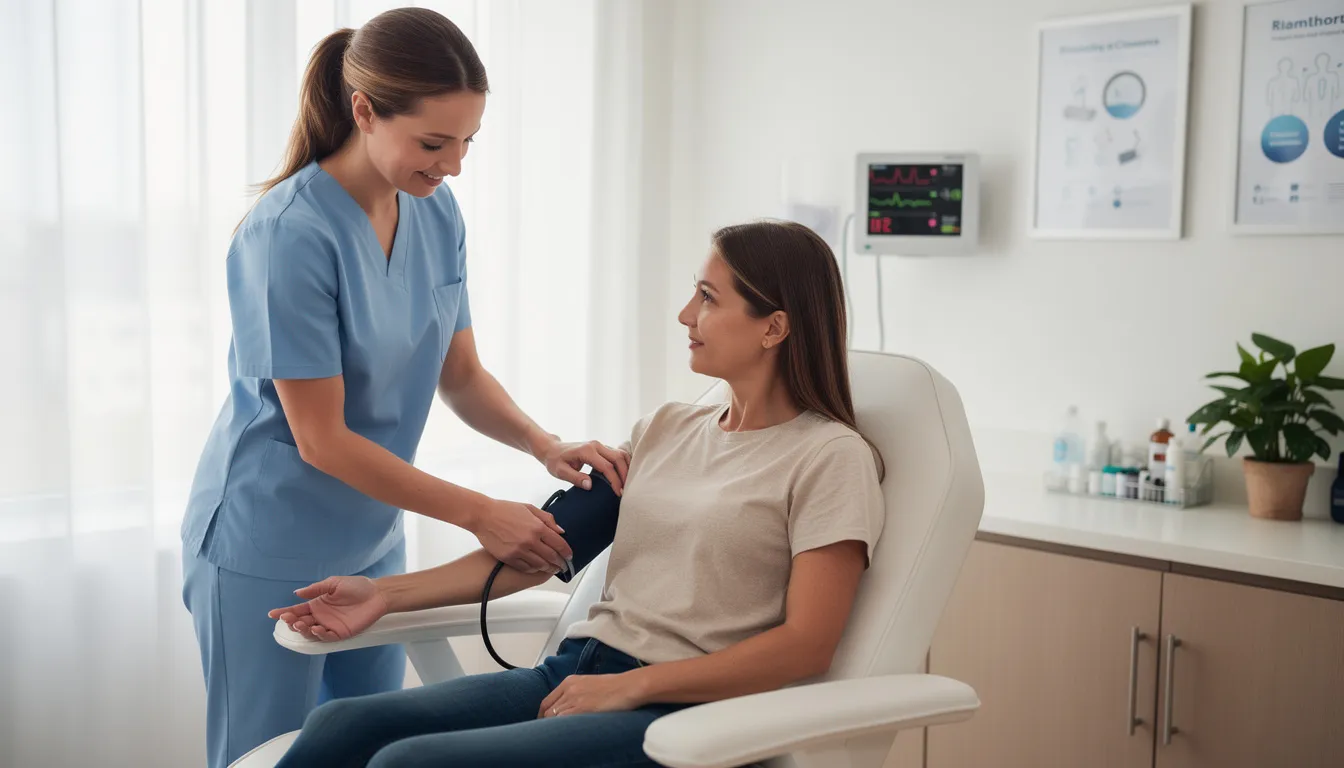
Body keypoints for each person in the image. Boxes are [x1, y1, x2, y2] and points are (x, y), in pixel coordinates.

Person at [268, 219, 888, 767]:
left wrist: (637, 688)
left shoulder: (830, 457)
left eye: (707, 298)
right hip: (575, 671)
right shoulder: (666, 428)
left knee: (414, 763)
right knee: (343, 723)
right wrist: (381, 594)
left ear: (773, 327)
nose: (684, 316)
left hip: (681, 712)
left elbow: (809, 644)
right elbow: (538, 552)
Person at [179, 9, 627, 767]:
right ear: (364, 111)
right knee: (267, 757)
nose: (452, 164)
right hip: (267, 541)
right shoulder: (288, 234)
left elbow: (461, 374)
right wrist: (481, 514)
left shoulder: (433, 210)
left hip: (374, 540)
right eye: (432, 142)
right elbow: (320, 439)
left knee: (363, 745)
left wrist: (543, 443)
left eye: (465, 143)